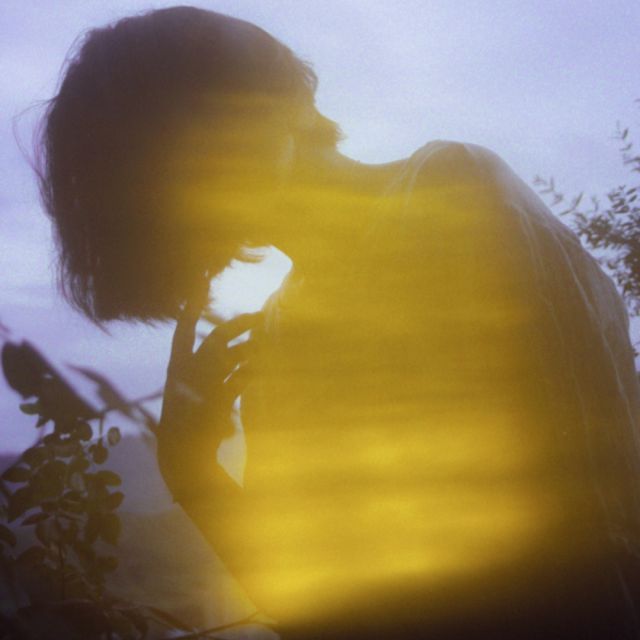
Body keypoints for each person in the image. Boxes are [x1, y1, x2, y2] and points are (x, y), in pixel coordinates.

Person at [37, 6, 640, 639]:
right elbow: (322, 612)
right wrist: (191, 472)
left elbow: (556, 556)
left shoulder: (446, 193)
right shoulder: (279, 328)